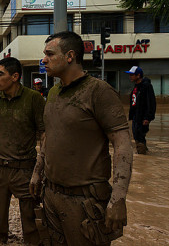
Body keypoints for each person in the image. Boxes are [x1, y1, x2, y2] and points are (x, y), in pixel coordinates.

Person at [30, 31, 133, 245]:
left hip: (85, 202)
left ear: (70, 56)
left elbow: (122, 144)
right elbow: (48, 138)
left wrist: (118, 198)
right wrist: (37, 172)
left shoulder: (98, 91)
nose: (44, 59)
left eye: (49, 54)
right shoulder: (53, 93)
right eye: (44, 54)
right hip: (51, 196)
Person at [0, 57, 45, 244]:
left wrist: (40, 170)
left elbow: (44, 135)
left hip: (25, 171)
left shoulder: (34, 99)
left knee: (32, 227)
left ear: (15, 77)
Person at [125, 66, 156, 154]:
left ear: (138, 75)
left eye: (132, 75)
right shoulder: (136, 86)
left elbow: (151, 103)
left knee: (140, 136)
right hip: (136, 116)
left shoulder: (146, 86)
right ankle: (143, 154)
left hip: (142, 117)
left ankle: (143, 155)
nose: (130, 76)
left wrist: (148, 117)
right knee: (136, 136)